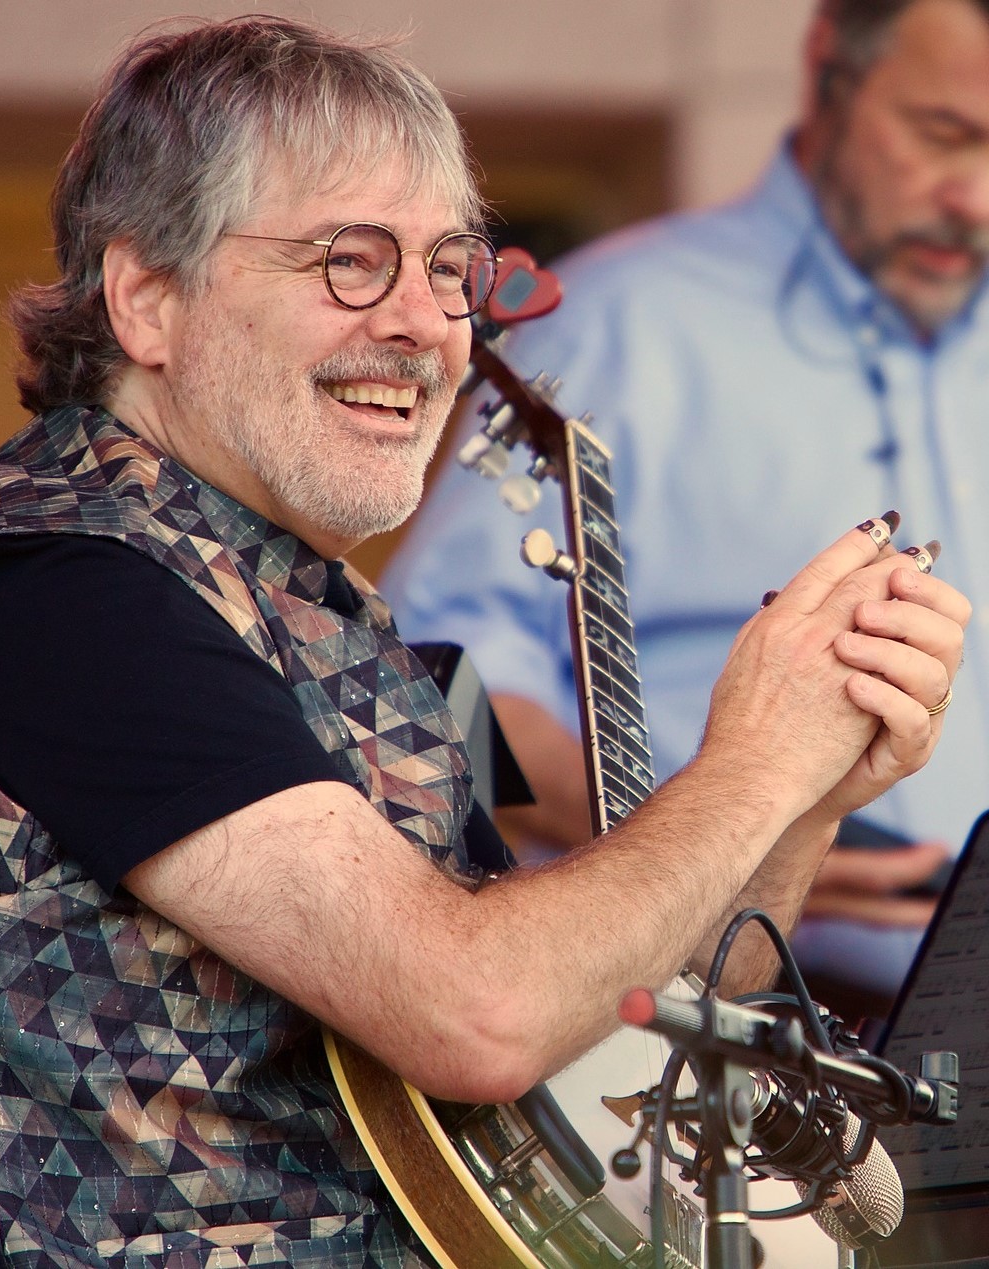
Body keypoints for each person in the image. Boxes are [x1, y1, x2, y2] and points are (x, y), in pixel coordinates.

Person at [0, 16, 967, 1268]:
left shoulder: (322, 616)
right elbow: (480, 1015)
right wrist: (747, 765)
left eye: (450, 266)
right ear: (147, 299)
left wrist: (806, 789)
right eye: (351, 262)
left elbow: (636, 1031)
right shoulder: (62, 587)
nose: (427, 325)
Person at [384, 0, 989, 1013]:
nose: (974, 196)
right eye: (942, 134)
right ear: (830, 74)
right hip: (727, 1032)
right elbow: (435, 683)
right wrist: (717, 836)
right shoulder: (619, 321)